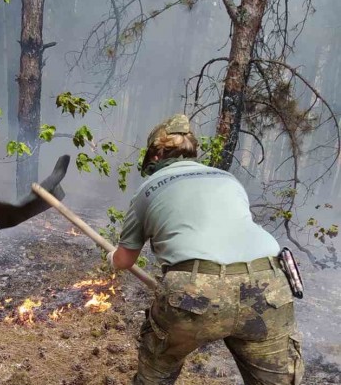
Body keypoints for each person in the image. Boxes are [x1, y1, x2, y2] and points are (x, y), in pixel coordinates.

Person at [106, 114, 304, 384]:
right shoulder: (228, 179)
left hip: (195, 291)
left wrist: (112, 257)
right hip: (269, 284)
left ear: (154, 157)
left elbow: (124, 259)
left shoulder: (149, 189)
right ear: (192, 152)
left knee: (157, 372)